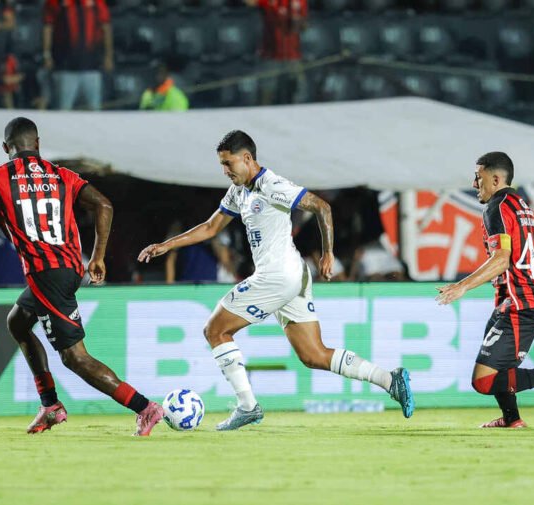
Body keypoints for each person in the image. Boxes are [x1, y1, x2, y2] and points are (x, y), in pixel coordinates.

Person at [138, 130, 414, 430]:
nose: (225, 171)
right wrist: (167, 245)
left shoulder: (272, 185)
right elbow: (210, 227)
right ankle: (390, 380)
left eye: (229, 163)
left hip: (277, 276)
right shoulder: (238, 191)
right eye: (222, 165)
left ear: (247, 158)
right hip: (292, 275)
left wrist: (328, 253)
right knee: (314, 354)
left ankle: (247, 406)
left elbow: (321, 206)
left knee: (215, 330)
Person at [0, 117, 163, 435]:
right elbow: (104, 205)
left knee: (75, 358)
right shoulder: (60, 174)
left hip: (46, 274)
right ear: (37, 144)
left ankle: (145, 407)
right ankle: (50, 405)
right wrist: (97, 256)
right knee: (17, 323)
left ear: (5, 147)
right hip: (70, 267)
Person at [436, 152, 534, 428]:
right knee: (501, 366)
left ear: (495, 179)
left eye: (478, 177)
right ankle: (512, 418)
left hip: (520, 305)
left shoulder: (496, 208)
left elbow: (502, 259)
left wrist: (462, 286)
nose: (474, 183)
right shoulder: (522, 206)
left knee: (483, 380)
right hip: (523, 301)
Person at [42, 0, 113, 110]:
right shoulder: (56, 2)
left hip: (92, 67)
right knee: (63, 110)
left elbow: (106, 27)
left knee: (94, 110)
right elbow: (48, 27)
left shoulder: (97, 2)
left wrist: (108, 56)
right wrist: (47, 54)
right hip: (65, 68)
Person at [244, 0, 308, 105]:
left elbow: (305, 23)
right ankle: (263, 111)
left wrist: (299, 23)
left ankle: (296, 112)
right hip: (271, 53)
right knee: (266, 88)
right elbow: (250, 2)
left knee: (297, 88)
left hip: (293, 53)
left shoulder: (301, 1)